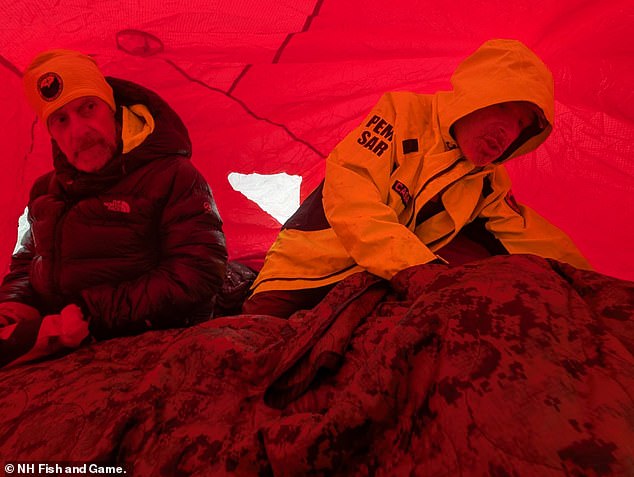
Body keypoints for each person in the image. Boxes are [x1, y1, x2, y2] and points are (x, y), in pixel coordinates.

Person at [244, 39, 592, 318]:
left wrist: (592, 284)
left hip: (371, 282)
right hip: (302, 269)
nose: (507, 131)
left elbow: (530, 237)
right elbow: (351, 190)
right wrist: (418, 269)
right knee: (246, 351)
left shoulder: (487, 181)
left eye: (521, 125)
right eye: (503, 107)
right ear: (476, 96)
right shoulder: (403, 114)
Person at [0, 49, 227, 366]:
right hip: (60, 340)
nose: (78, 130)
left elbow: (197, 274)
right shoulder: (45, 191)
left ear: (113, 110)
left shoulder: (172, 176)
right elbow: (28, 263)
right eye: (60, 120)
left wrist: (90, 313)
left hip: (146, 340)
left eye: (88, 108)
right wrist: (13, 307)